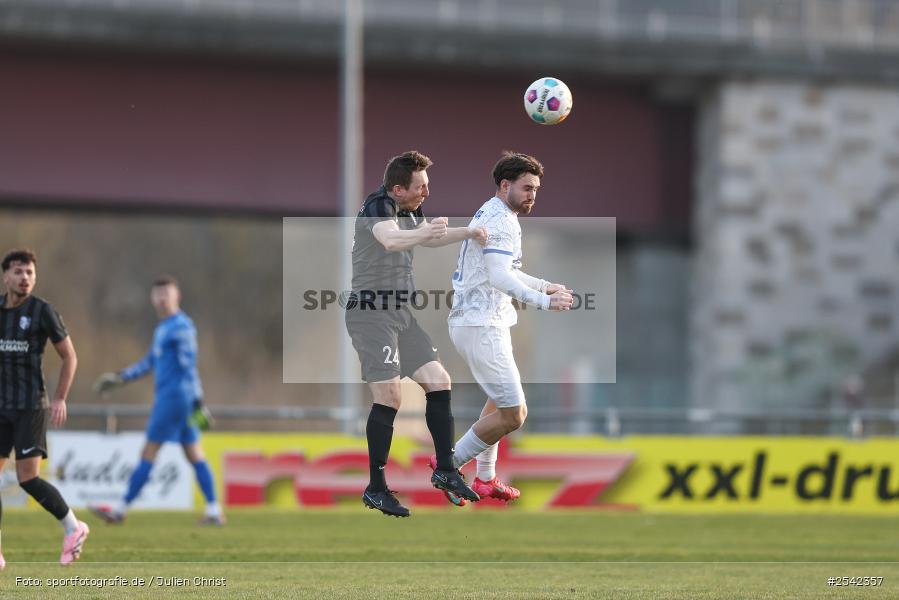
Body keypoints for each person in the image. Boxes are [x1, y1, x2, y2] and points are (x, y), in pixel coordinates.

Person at [346, 150, 488, 517]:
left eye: (427, 185)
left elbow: (428, 238)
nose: (426, 192)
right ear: (397, 189)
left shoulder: (407, 209)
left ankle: (445, 469)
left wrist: (468, 233)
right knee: (390, 396)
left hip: (400, 313)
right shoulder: (379, 206)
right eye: (420, 186)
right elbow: (391, 241)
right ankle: (376, 488)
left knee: (439, 381)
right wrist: (425, 230)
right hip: (370, 314)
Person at [435, 152, 573, 506]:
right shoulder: (501, 220)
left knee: (499, 403)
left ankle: (485, 478)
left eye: (536, 189)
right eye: (527, 188)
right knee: (515, 414)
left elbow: (506, 269)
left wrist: (545, 286)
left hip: (482, 322)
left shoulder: (497, 214)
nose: (532, 195)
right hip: (482, 325)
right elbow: (498, 277)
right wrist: (544, 302)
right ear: (505, 184)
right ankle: (448, 465)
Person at [89, 276, 223, 525]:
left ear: (177, 296)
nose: (162, 299)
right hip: (178, 399)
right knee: (195, 453)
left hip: (173, 399)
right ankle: (214, 510)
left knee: (149, 451)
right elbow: (150, 361)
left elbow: (188, 366)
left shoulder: (182, 327)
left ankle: (119, 509)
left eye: (167, 294)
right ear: (152, 299)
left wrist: (196, 399)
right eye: (158, 294)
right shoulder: (163, 328)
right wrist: (121, 377)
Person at [0, 249, 89, 568]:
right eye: (19, 272)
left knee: (27, 478)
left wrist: (60, 397)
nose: (25, 278)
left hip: (30, 406)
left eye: (30, 273)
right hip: (0, 405)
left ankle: (74, 527)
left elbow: (70, 356)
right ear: (5, 275)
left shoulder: (42, 311)